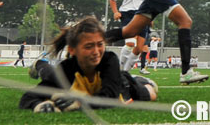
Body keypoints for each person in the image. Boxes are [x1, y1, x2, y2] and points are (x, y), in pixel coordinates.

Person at [19, 16, 158, 113]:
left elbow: (109, 97)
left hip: (122, 85)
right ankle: (40, 64)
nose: (96, 51)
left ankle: (141, 80)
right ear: (72, 50)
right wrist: (39, 105)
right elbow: (29, 97)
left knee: (152, 93)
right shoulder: (67, 67)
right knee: (50, 75)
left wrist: (80, 103)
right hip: (80, 79)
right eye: (89, 46)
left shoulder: (109, 59)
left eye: (100, 45)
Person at [109, 0, 151, 74]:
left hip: (143, 14)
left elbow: (151, 0)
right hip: (127, 14)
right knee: (131, 43)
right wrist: (116, 12)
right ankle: (120, 68)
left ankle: (125, 73)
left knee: (139, 48)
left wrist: (151, 16)